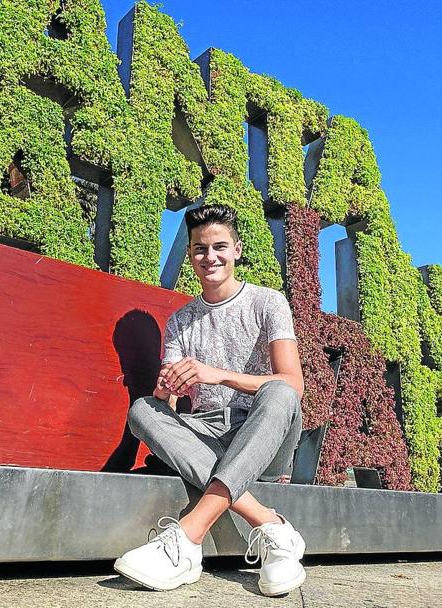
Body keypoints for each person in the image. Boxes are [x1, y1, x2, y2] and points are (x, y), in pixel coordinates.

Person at [113, 204, 306, 596]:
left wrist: (218, 374)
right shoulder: (181, 322)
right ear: (190, 256)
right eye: (200, 249)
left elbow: (293, 384)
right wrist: (167, 389)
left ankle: (188, 537)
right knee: (141, 410)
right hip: (205, 433)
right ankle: (272, 527)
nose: (210, 257)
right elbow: (163, 406)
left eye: (219, 246)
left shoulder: (268, 303)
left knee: (280, 392)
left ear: (236, 249)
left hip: (260, 428)